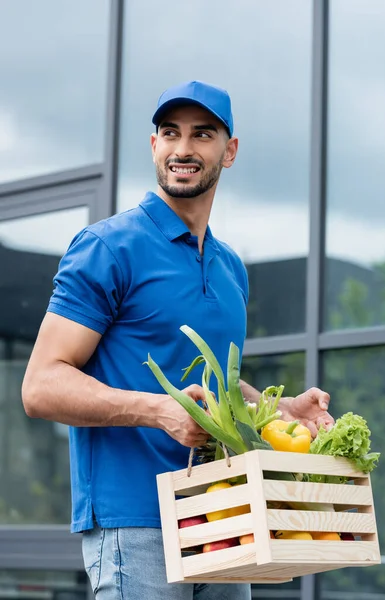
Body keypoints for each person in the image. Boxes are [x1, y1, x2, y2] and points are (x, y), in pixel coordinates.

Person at [22, 80, 334, 600]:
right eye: (170, 133)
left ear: (229, 152)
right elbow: (40, 386)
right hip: (136, 523)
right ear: (154, 146)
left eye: (202, 134)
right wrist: (158, 410)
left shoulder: (231, 266)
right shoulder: (107, 247)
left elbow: (216, 389)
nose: (183, 149)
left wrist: (281, 412)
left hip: (225, 513)